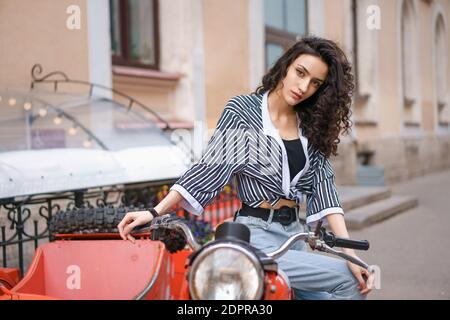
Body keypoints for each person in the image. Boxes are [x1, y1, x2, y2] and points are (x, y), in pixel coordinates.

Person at [118, 36, 375, 299]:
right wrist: (154, 211)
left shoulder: (310, 123)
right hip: (256, 237)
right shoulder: (243, 112)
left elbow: (324, 186)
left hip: (294, 237)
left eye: (315, 83)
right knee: (348, 280)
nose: (303, 86)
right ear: (286, 66)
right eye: (300, 73)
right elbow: (208, 169)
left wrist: (349, 253)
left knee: (353, 277)